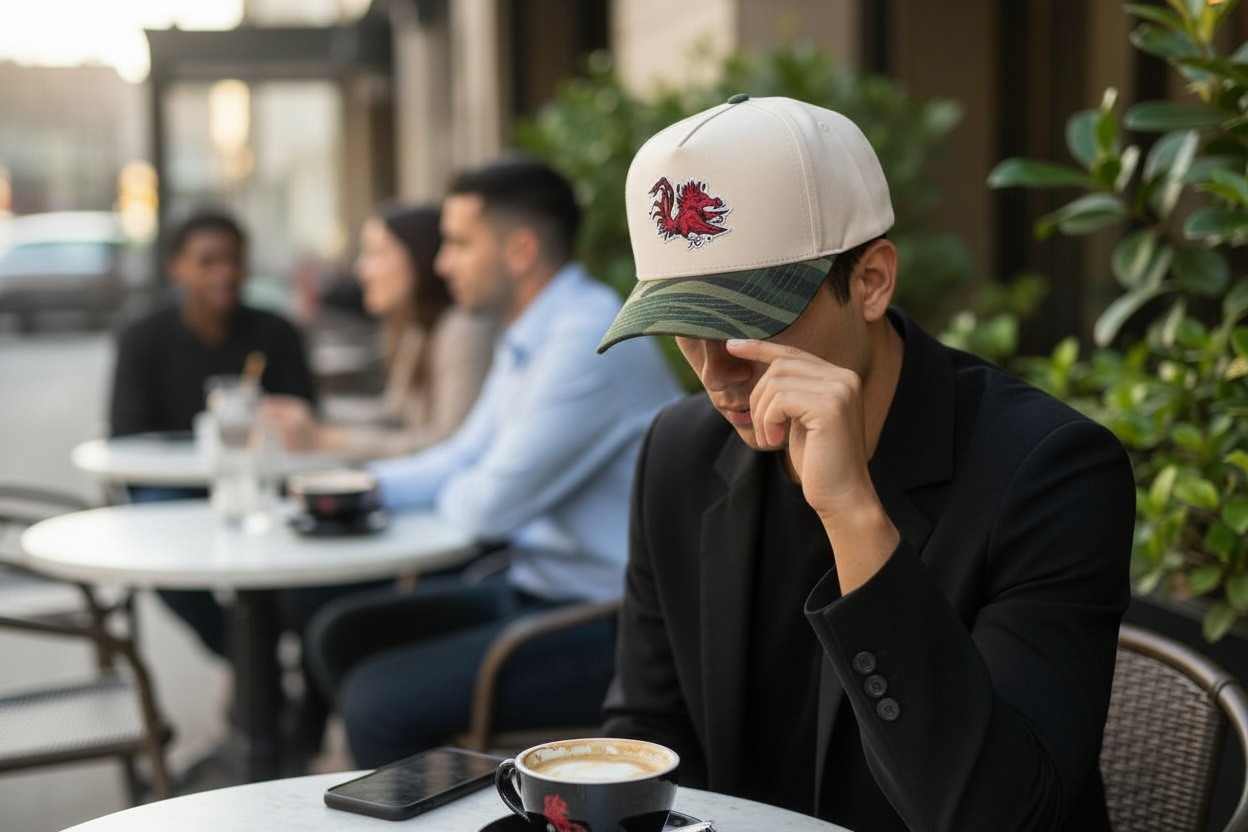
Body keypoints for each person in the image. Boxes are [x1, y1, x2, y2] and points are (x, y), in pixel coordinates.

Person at [595, 95, 1135, 831]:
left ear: (873, 280)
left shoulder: (1047, 471)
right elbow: (651, 738)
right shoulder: (682, 452)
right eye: (682, 324)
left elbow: (1001, 813)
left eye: (748, 319)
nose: (716, 370)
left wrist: (853, 517)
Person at [305, 156, 683, 767]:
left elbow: (489, 506)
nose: (442, 262)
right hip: (538, 589)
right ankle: (444, 797)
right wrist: (357, 487)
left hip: (612, 627)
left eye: (458, 242)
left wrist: (461, 483)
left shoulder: (587, 336)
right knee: (340, 635)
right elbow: (463, 458)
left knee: (376, 701)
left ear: (521, 250)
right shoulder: (530, 330)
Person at [108, 207, 318, 658]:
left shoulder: (276, 332)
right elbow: (124, 434)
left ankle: (258, 683)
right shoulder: (143, 336)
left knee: (293, 571)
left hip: (264, 484)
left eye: (233, 261)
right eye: (208, 262)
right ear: (177, 267)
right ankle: (251, 667)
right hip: (173, 491)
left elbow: (307, 421)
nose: (224, 275)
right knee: (159, 558)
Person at [260, 203, 498, 461]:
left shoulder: (462, 329)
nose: (361, 269)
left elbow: (450, 443)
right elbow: (393, 415)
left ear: (420, 258)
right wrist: (312, 414)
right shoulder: (416, 329)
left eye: (376, 253)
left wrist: (327, 438)